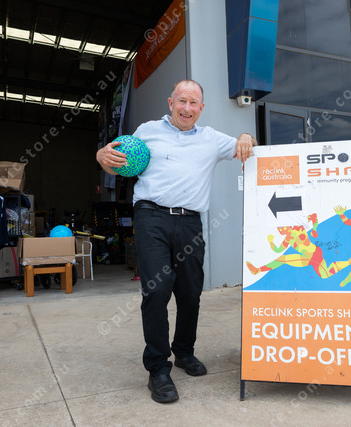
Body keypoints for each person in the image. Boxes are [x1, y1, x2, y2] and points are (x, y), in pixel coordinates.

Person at [96, 79, 256, 403]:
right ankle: (158, 368)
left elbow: (246, 144)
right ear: (171, 103)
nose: (186, 108)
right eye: (181, 101)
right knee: (157, 291)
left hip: (190, 223)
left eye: (193, 102)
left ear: (201, 108)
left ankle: (183, 351)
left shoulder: (211, 139)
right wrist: (102, 155)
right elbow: (114, 159)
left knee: (190, 292)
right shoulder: (147, 131)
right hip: (151, 216)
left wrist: (245, 136)